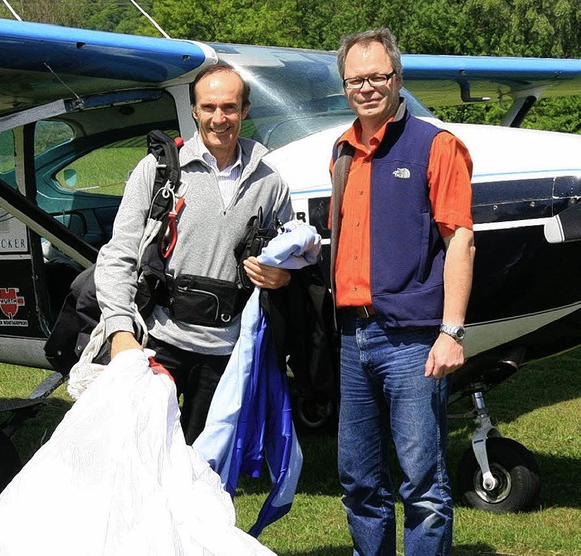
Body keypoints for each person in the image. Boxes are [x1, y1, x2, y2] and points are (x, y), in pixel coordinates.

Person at [329, 28, 475, 555]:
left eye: (378, 76)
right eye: (356, 79)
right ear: (345, 85)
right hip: (352, 335)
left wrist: (450, 331)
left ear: (397, 78)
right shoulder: (341, 151)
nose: (367, 88)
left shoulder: (436, 145)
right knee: (359, 480)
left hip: (412, 340)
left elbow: (460, 240)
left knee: (423, 485)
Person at [95, 64, 294, 444]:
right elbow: (118, 253)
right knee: (144, 455)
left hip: (227, 352)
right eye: (209, 107)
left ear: (246, 110)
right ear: (194, 111)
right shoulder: (157, 171)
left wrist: (284, 276)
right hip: (159, 341)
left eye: (230, 107)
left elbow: (290, 260)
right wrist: (120, 330)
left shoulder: (270, 182)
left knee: (206, 467)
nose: (220, 118)